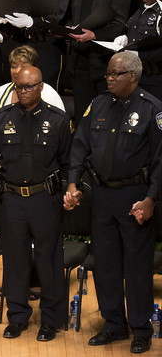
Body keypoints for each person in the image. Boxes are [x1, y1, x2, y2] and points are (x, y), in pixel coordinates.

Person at [64, 51, 162, 355]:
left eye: (115, 74)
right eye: (107, 73)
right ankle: (114, 324)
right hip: (103, 194)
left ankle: (141, 329)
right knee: (105, 264)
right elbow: (80, 144)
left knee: (136, 266)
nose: (108, 78)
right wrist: (73, 182)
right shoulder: (98, 104)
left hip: (135, 197)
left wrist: (151, 199)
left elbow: (161, 161)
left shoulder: (152, 109)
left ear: (132, 76)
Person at [0, 66, 70, 341]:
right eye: (18, 86)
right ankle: (18, 316)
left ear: (41, 86)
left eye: (29, 86)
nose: (23, 91)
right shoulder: (0, 119)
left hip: (46, 199)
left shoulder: (57, 119)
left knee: (48, 261)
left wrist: (71, 190)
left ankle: (51, 318)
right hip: (12, 199)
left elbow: (69, 162)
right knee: (15, 261)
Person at [67, 0, 130, 120]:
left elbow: (119, 24)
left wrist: (94, 35)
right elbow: (73, 14)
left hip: (101, 61)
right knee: (81, 115)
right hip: (78, 58)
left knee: (102, 117)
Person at [115, 0, 162, 101]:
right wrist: (125, 38)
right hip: (135, 76)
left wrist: (138, 55)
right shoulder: (140, 9)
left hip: (155, 78)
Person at [0, 45, 65, 113]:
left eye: (23, 67)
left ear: (34, 69)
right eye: (14, 66)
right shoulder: (1, 91)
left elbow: (60, 123)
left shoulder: (49, 94)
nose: (16, 71)